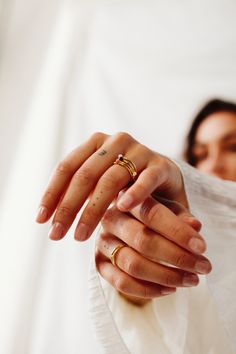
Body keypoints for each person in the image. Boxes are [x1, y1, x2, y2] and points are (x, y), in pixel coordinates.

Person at [36, 99, 236, 353]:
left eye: (232, 147)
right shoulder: (187, 239)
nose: (213, 165)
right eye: (200, 155)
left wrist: (189, 185)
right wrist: (134, 285)